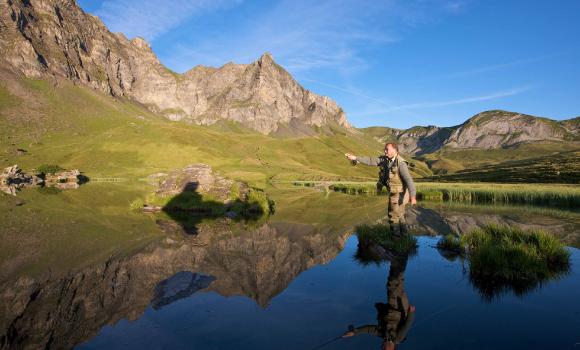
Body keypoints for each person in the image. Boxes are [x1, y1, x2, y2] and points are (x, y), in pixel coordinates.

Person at [345, 143, 417, 236]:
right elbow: (370, 160)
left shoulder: (401, 164)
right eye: (385, 149)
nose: (385, 151)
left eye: (387, 149)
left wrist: (413, 196)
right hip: (395, 192)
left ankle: (395, 238)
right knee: (399, 214)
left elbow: (408, 180)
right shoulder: (384, 159)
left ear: (394, 151)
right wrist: (356, 158)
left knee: (393, 216)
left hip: (399, 194)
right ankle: (404, 236)